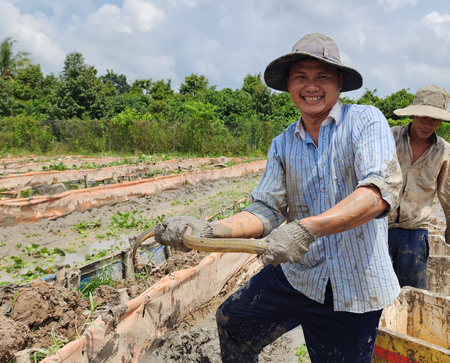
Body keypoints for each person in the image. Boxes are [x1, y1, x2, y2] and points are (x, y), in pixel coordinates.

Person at [154, 33, 402, 363]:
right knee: (233, 322)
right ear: (288, 84)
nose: (311, 86)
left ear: (339, 82)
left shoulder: (365, 120)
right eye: (301, 77)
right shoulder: (283, 143)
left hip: (353, 287)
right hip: (298, 275)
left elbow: (377, 192)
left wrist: (306, 229)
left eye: (322, 77)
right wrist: (209, 231)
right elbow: (267, 209)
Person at [387, 85, 450, 289]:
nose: (428, 123)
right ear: (413, 114)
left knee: (412, 295)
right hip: (379, 228)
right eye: (423, 116)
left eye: (435, 118)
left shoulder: (443, 151)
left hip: (415, 234)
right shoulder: (389, 138)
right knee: (373, 295)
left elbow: (449, 195)